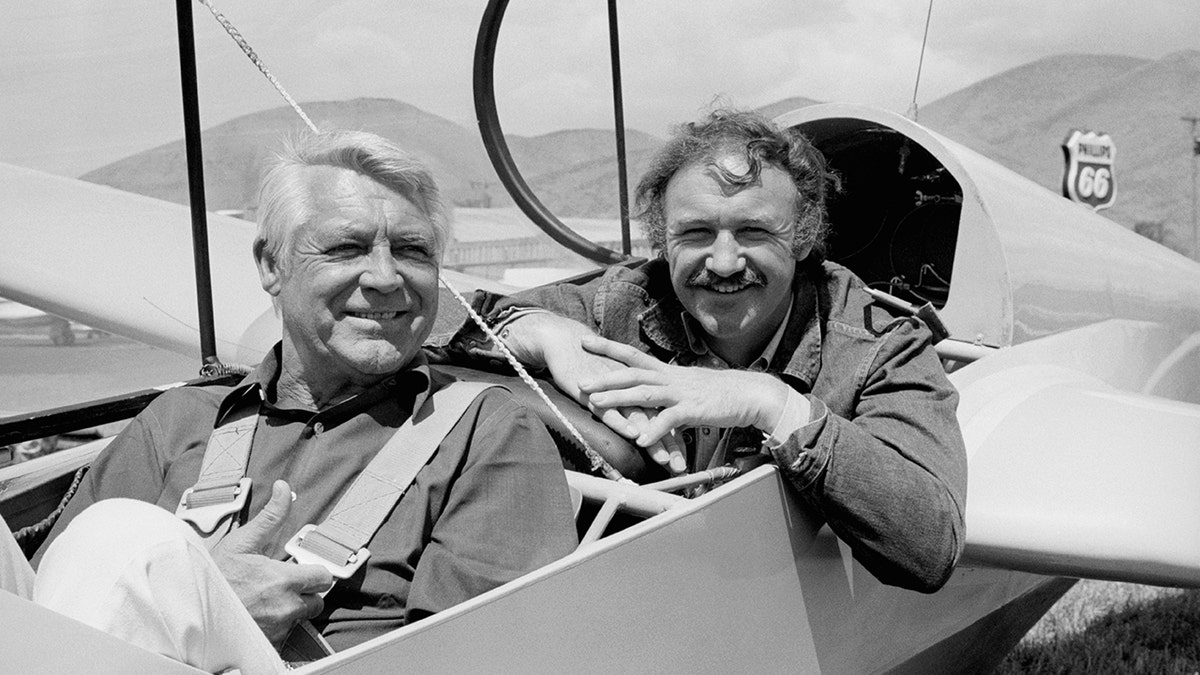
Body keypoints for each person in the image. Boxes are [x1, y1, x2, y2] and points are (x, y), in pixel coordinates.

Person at [0, 129, 578, 673]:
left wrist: (202, 611)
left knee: (121, 536)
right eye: (346, 248)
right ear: (272, 266)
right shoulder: (181, 420)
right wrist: (200, 601)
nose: (384, 277)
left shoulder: (487, 432)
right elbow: (58, 603)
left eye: (412, 250)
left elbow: (488, 659)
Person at [451, 108, 967, 593]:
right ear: (663, 239)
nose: (722, 262)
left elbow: (932, 545)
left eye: (754, 231)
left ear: (804, 239)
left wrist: (771, 403)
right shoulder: (621, 303)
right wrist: (544, 334)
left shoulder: (880, 345)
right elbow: (419, 327)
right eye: (696, 232)